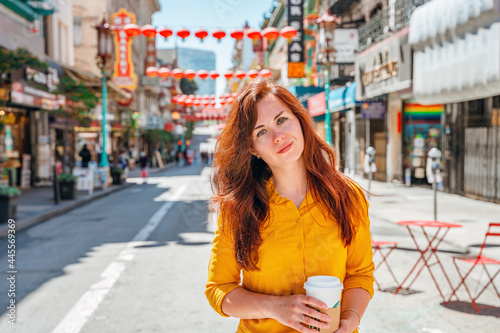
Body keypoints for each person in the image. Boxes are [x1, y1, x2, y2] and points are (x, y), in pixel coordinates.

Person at [205, 79, 374, 333]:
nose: (277, 136)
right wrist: (275, 308)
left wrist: (350, 319)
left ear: (300, 119)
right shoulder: (238, 208)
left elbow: (360, 275)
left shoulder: (347, 196)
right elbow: (219, 289)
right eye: (261, 132)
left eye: (282, 120)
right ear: (252, 148)